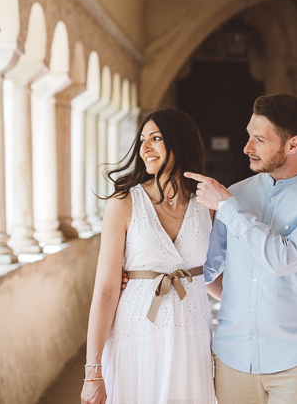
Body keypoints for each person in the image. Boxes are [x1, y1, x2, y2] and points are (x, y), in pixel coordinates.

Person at [185, 93, 297, 404]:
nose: (247, 147)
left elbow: (282, 259)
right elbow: (205, 269)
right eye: (249, 136)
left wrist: (227, 207)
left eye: (259, 139)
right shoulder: (236, 194)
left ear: (293, 145)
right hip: (233, 358)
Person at [81, 108, 216, 404]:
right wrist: (93, 371)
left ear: (179, 143)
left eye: (156, 138)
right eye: (142, 139)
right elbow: (105, 291)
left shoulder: (207, 205)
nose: (144, 148)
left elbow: (212, 277)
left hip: (192, 335)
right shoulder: (125, 202)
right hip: (136, 333)